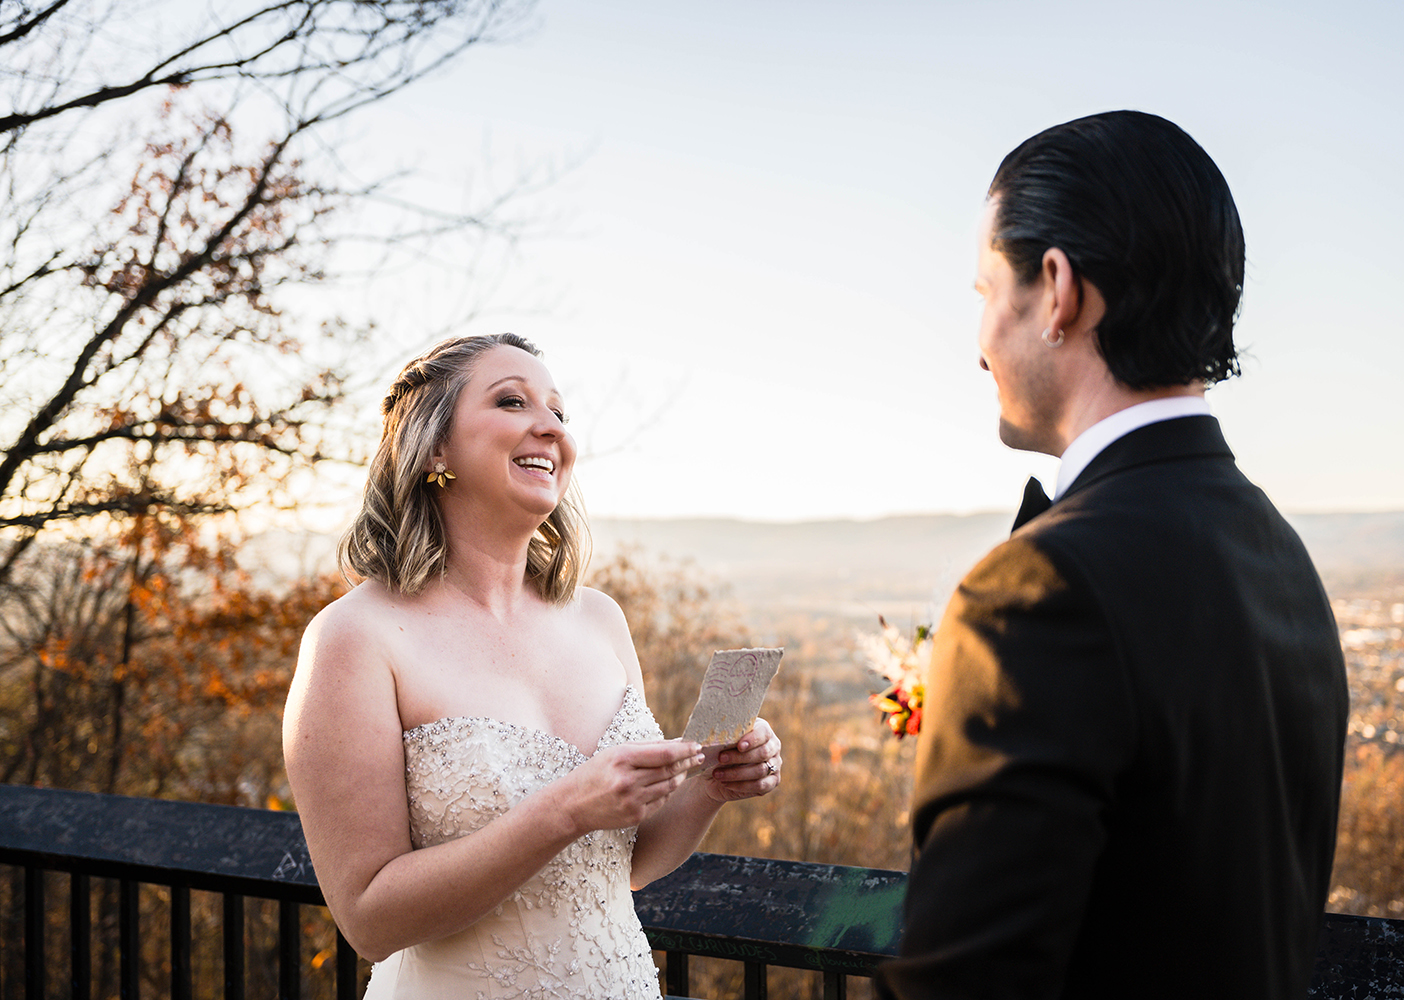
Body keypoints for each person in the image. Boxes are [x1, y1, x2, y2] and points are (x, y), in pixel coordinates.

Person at [875, 112, 1349, 999]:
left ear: (1056, 290)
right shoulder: (1279, 556)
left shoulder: (1041, 589)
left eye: (986, 291)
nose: (979, 342)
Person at [283, 333, 783, 999]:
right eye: (512, 402)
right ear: (435, 447)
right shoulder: (355, 637)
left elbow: (623, 865)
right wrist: (567, 808)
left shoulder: (600, 618)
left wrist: (708, 788)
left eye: (558, 412)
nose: (549, 428)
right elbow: (370, 921)